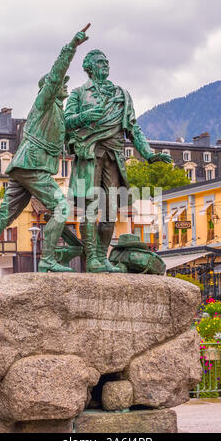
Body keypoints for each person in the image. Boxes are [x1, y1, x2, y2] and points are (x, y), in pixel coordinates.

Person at [0, 26, 90, 281]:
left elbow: (66, 135)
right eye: (61, 84)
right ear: (50, 87)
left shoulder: (56, 112)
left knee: (4, 217)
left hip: (25, 168)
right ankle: (48, 260)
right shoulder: (44, 102)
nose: (65, 86)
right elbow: (56, 74)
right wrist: (71, 47)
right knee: (61, 207)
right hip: (32, 166)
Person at [65, 49, 172, 273]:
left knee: (111, 210)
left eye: (107, 62)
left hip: (113, 157)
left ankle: (102, 258)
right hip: (89, 155)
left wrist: (149, 154)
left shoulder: (121, 94)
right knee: (90, 207)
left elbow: (134, 128)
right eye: (101, 62)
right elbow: (65, 123)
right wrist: (85, 117)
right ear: (89, 68)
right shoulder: (78, 94)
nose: (106, 65)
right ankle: (92, 258)